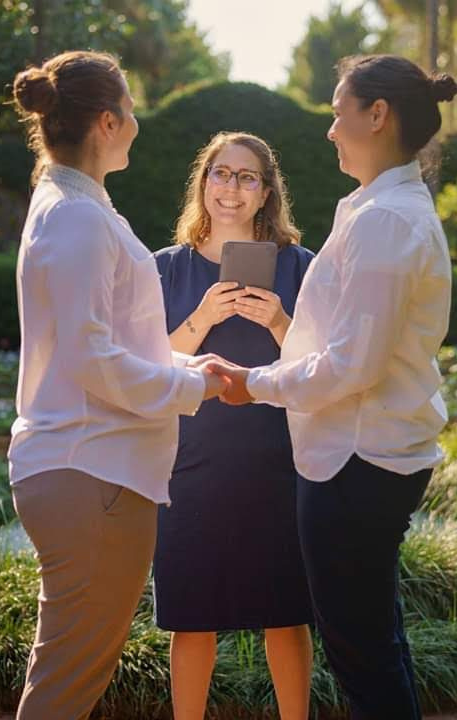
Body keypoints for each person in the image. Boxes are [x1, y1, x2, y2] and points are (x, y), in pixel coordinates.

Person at [212, 55, 457, 720]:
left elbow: (353, 364)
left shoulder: (386, 221)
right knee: (374, 643)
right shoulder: (379, 208)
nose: (329, 130)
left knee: (362, 655)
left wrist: (253, 384)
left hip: (358, 461)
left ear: (377, 116)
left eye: (336, 111)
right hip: (366, 455)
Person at [7, 50, 228, 720]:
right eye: (130, 107)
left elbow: (108, 347)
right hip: (91, 473)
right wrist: (194, 389)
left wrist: (192, 370)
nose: (137, 120)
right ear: (106, 121)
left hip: (91, 471)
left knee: (70, 677)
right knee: (67, 684)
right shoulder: (76, 216)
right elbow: (93, 359)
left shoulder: (74, 204)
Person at [152, 132, 315, 720]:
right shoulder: (165, 269)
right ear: (203, 183)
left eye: (247, 177)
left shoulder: (300, 266)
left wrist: (279, 321)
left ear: (266, 193)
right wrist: (202, 318)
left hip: (279, 464)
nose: (231, 188)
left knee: (286, 613)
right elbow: (144, 366)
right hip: (189, 465)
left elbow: (325, 366)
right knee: (191, 617)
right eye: (221, 173)